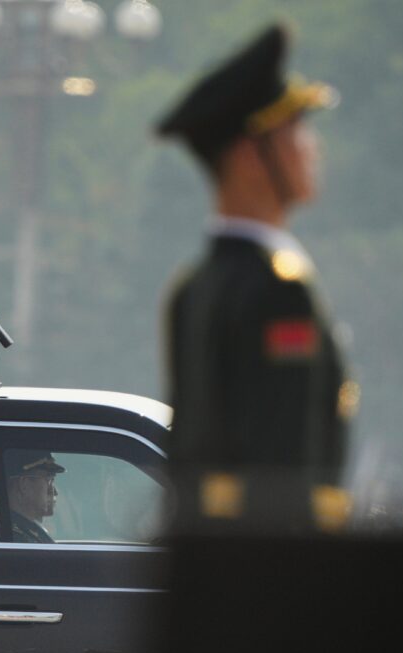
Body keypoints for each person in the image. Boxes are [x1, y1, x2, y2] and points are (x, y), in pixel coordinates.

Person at [154, 23, 358, 535]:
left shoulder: (193, 287)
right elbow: (283, 477)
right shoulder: (280, 290)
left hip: (212, 560)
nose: (311, 148)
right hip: (272, 567)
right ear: (249, 156)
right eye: (295, 131)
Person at [5, 450, 64, 544]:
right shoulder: (18, 539)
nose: (55, 492)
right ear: (24, 485)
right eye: (49, 480)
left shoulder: (27, 532)